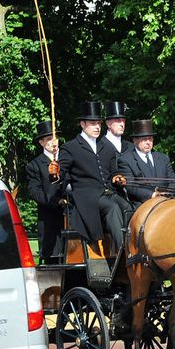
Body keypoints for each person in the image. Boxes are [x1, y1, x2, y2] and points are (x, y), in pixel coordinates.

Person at [51, 101, 130, 252]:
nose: (97, 127)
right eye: (93, 124)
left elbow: (113, 171)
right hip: (86, 197)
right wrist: (54, 173)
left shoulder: (106, 147)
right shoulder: (70, 147)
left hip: (107, 192)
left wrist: (116, 177)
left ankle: (133, 247)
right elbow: (60, 175)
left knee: (128, 207)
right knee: (112, 208)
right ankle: (124, 252)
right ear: (82, 124)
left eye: (99, 123)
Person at [25, 120, 66, 263]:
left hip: (72, 220)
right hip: (51, 223)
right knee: (54, 262)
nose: (54, 142)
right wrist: (57, 201)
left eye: (55, 138)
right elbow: (35, 192)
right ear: (41, 142)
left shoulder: (68, 159)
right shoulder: (34, 165)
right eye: (49, 139)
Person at [118, 119, 175, 208]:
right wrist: (153, 195)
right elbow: (130, 187)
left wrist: (167, 194)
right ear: (135, 140)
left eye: (150, 139)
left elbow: (173, 181)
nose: (148, 142)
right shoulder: (126, 160)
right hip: (142, 204)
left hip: (167, 202)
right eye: (144, 139)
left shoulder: (163, 158)